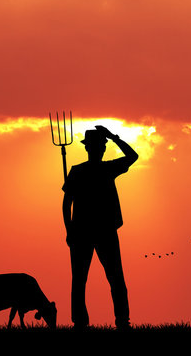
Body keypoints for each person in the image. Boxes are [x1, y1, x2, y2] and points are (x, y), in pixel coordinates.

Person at [62, 125, 138, 330]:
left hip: (98, 231)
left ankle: (117, 321)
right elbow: (66, 202)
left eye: (100, 146)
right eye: (100, 146)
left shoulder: (94, 170)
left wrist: (69, 230)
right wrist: (69, 231)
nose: (100, 149)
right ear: (95, 149)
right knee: (92, 279)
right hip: (89, 232)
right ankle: (88, 322)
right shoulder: (91, 170)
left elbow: (134, 156)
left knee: (99, 278)